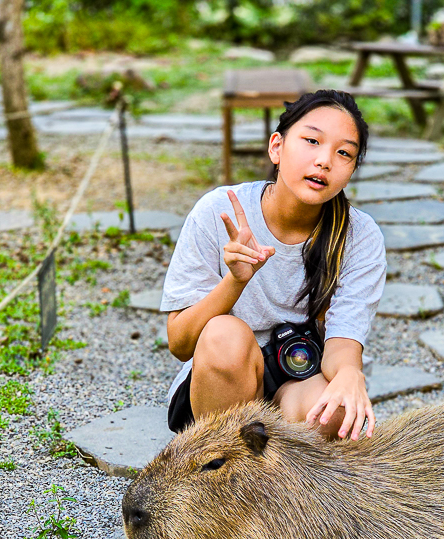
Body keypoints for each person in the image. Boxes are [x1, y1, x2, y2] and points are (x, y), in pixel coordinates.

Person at [160, 89, 386, 441]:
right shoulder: (217, 210)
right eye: (312, 140)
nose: (324, 160)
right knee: (224, 335)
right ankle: (225, 479)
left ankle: (280, 482)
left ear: (352, 170)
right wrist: (235, 282)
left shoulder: (359, 236)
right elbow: (180, 342)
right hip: (219, 386)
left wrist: (350, 374)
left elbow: (343, 345)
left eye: (344, 153)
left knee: (336, 414)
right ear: (276, 147)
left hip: (299, 379)